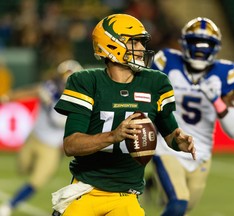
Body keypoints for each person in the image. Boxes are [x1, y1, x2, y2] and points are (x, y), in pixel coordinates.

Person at [50, 14, 196, 216]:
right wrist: (113, 136)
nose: (142, 49)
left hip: (126, 196)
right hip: (87, 190)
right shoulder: (86, 81)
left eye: (142, 43)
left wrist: (179, 141)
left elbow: (170, 133)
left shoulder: (156, 83)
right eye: (135, 42)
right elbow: (71, 144)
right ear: (111, 45)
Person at [151, 17, 234, 215]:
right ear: (184, 43)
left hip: (201, 153)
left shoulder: (225, 73)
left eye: (206, 43)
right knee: (178, 202)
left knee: (185, 207)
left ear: (215, 47)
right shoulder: (167, 61)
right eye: (195, 42)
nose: (200, 48)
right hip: (168, 146)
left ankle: (159, 190)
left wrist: (217, 100)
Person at [0, 59, 83, 216]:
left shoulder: (80, 102)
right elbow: (31, 90)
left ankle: (10, 206)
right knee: (22, 168)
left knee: (37, 181)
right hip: (35, 138)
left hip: (52, 148)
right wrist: (8, 97)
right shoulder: (48, 89)